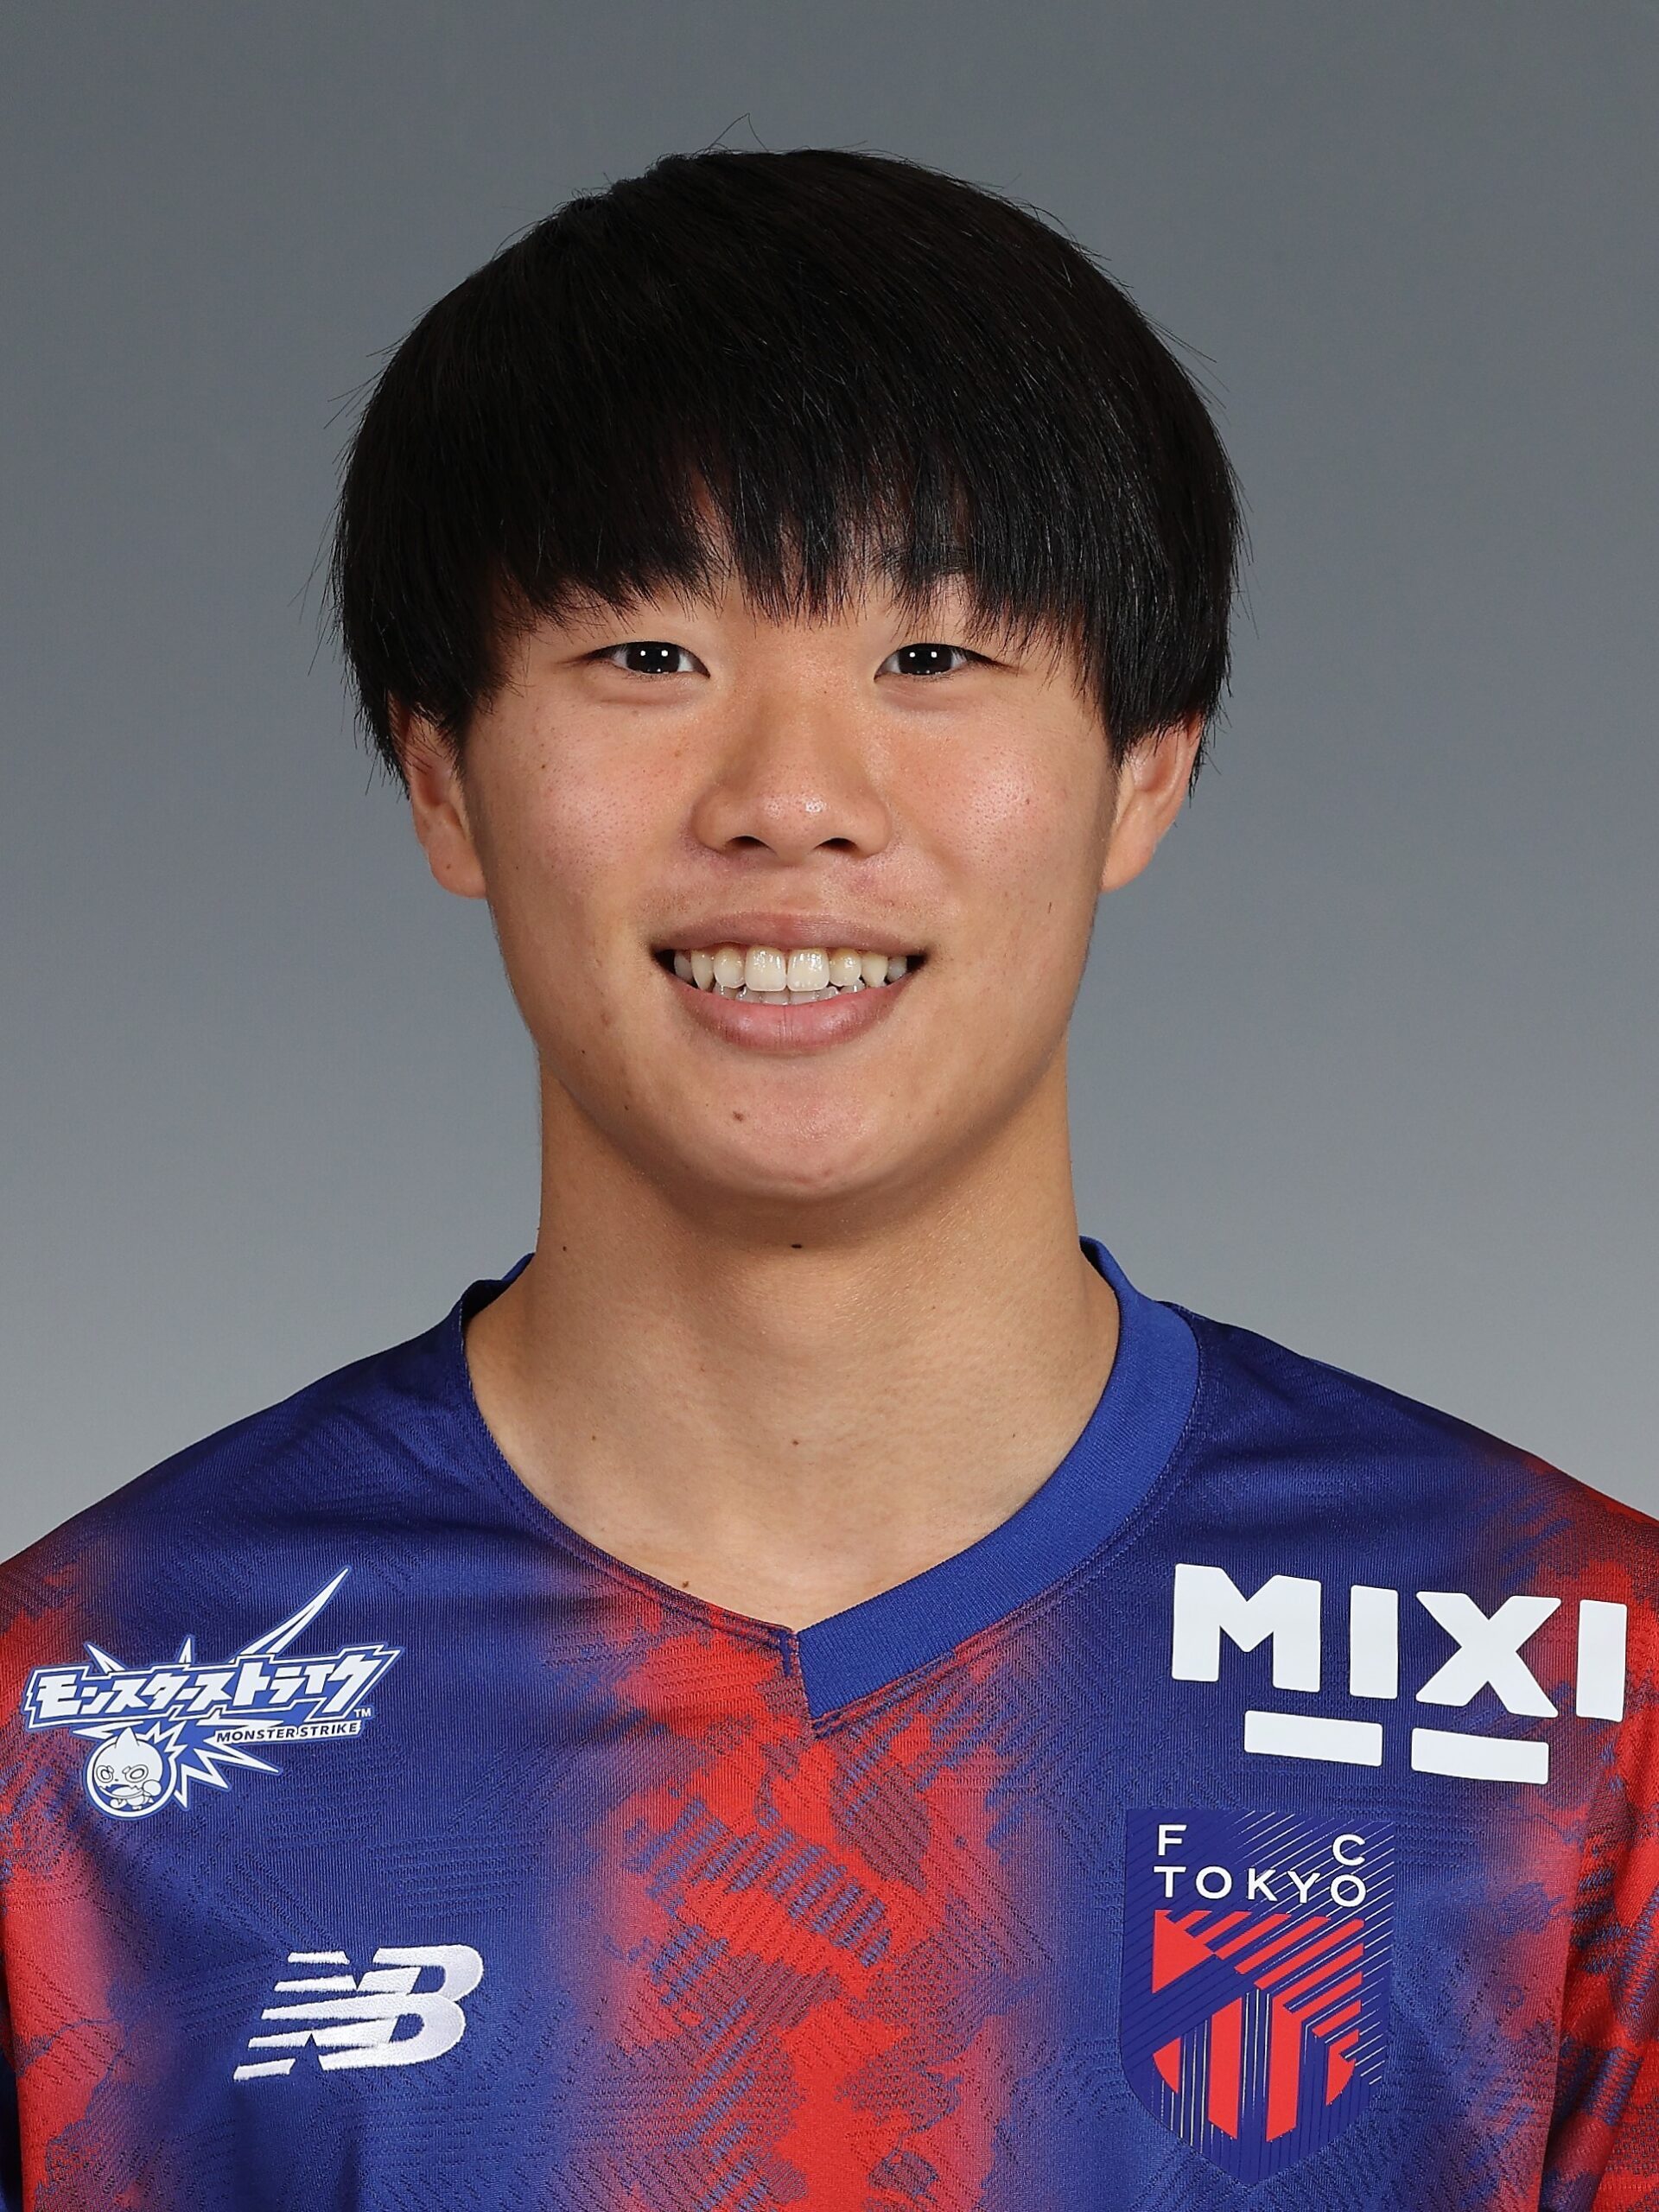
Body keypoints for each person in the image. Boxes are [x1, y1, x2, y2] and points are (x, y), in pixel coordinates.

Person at [0, 145, 1652, 2212]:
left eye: (933, 656)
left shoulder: (1576, 1677)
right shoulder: (75, 1718)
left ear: (1148, 768)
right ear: (442, 777)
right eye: (649, 654)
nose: (792, 798)